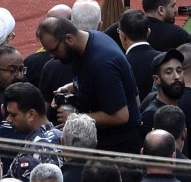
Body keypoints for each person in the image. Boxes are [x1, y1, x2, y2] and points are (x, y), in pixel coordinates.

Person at [36, 16, 143, 153]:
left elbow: (120, 116)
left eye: (54, 50)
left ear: (69, 38)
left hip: (118, 149)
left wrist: (75, 117)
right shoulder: (86, 41)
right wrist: (72, 87)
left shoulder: (101, 62)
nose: (52, 56)